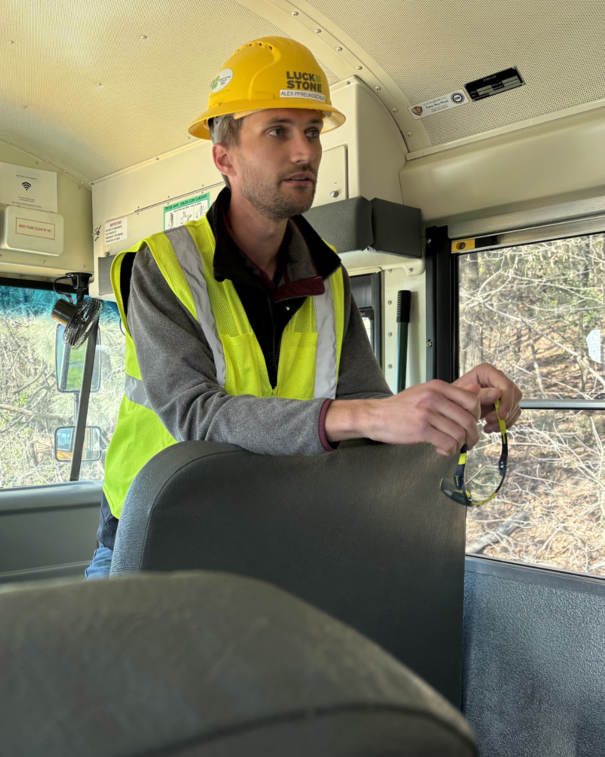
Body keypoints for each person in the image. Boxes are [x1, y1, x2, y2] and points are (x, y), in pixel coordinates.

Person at [87, 37, 522, 579]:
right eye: (278, 131)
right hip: (155, 534)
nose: (305, 152)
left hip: (266, 533)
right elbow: (195, 414)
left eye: (313, 132)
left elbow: (368, 406)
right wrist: (369, 414)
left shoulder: (328, 274)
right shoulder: (163, 265)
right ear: (224, 157)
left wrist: (441, 404)